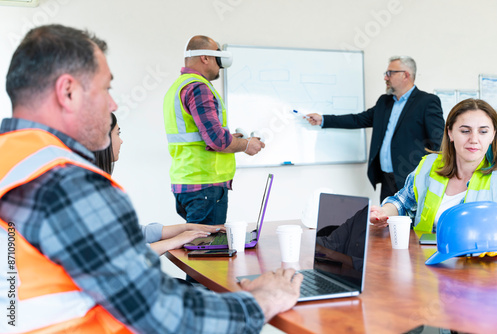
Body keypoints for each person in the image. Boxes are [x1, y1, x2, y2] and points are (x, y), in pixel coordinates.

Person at [0, 24, 302, 333]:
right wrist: (260, 302)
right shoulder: (65, 183)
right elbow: (165, 314)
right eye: (106, 88)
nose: (113, 105)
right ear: (68, 92)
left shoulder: (13, 159)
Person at [307, 56, 445, 203]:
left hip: (412, 180)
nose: (386, 77)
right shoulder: (384, 102)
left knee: (409, 224)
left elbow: (438, 140)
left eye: (390, 73)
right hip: (386, 179)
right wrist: (323, 119)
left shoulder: (427, 101)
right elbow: (358, 119)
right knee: (385, 221)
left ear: (406, 75)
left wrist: (429, 176)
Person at [163, 35, 265, 225]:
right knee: (207, 250)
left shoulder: (179, 86)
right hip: (205, 186)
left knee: (195, 249)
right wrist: (247, 145)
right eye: (218, 59)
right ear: (205, 58)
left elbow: (201, 135)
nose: (220, 66)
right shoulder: (198, 88)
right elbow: (217, 140)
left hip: (187, 183)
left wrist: (231, 138)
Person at [93, 113, 225, 256]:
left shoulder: (99, 186)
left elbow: (134, 232)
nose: (121, 141)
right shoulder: (90, 194)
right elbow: (123, 258)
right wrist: (175, 241)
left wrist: (189, 228)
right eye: (117, 134)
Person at [370, 99, 497, 233]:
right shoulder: (429, 165)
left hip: (477, 254)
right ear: (450, 133)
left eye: (483, 132)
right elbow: (403, 202)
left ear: (493, 135)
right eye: (465, 131)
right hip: (423, 253)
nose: (474, 139)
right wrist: (383, 212)